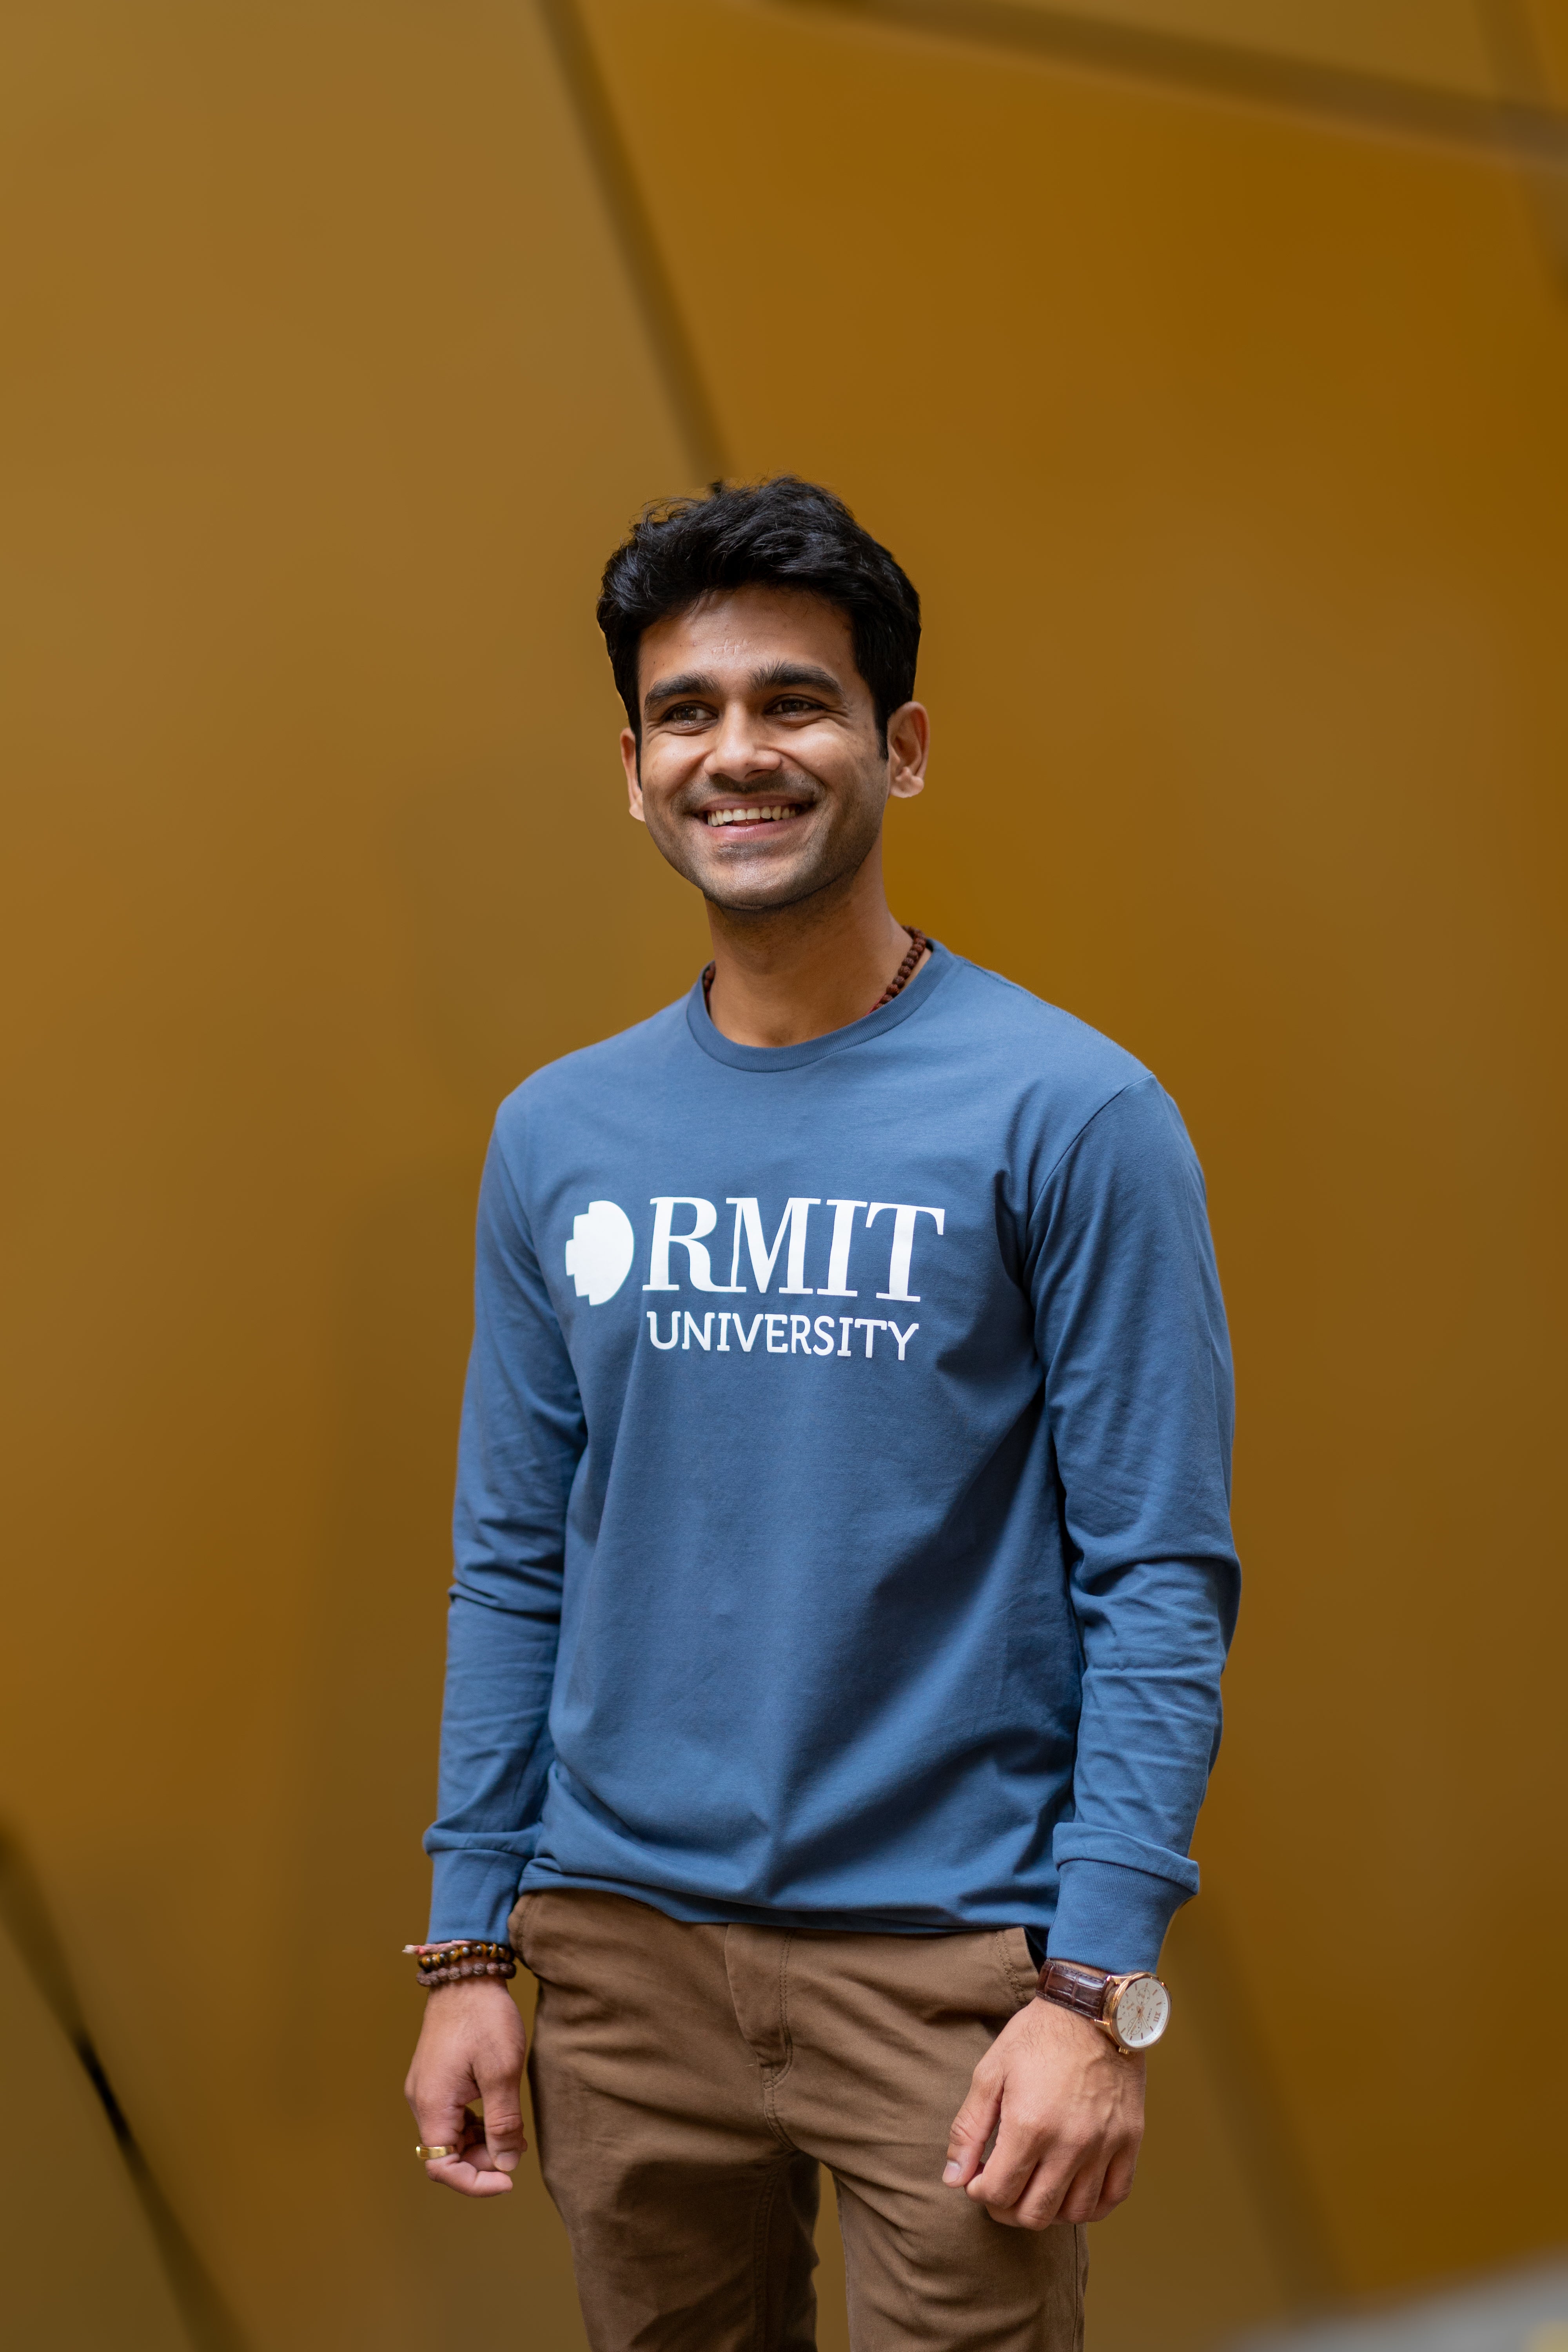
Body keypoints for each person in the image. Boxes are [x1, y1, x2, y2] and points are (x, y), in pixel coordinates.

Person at [403, 475, 1240, 2352]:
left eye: (794, 703)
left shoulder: (1071, 1116)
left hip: (948, 1978)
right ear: (632, 768)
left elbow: (1160, 1575)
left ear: (900, 745)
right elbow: (512, 1560)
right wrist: (471, 1948)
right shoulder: (559, 1136)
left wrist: (1090, 1986)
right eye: (688, 714)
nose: (738, 755)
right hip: (617, 1960)